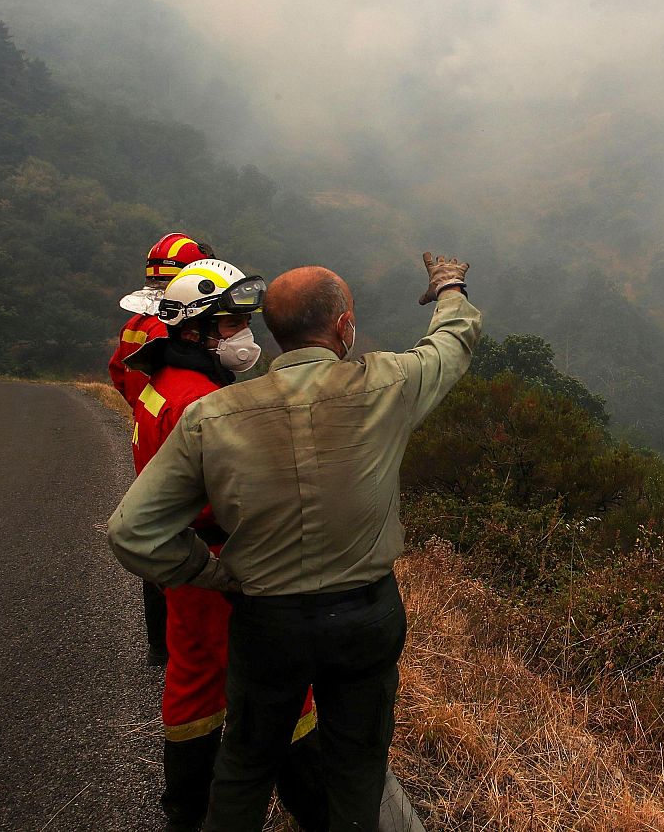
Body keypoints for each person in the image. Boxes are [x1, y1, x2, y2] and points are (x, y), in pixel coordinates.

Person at [109, 252, 479, 830]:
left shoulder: (211, 415)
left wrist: (212, 574)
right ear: (344, 326)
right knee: (357, 765)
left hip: (266, 621)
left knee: (245, 768)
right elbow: (452, 344)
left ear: (274, 333)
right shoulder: (387, 384)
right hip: (365, 619)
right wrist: (449, 287)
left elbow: (132, 532)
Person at [121, 258, 326, 832]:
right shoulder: (199, 403)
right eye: (232, 325)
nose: (244, 337)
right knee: (282, 691)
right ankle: (321, 808)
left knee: (194, 691)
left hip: (183, 575)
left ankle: (186, 810)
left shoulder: (163, 388)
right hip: (219, 573)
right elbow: (220, 500)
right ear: (195, 331)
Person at [112, 231, 216, 666]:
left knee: (158, 534)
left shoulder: (137, 322)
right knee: (183, 535)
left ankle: (161, 644)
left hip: (151, 434)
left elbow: (120, 372)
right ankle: (177, 644)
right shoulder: (169, 326)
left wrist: (144, 409)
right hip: (172, 436)